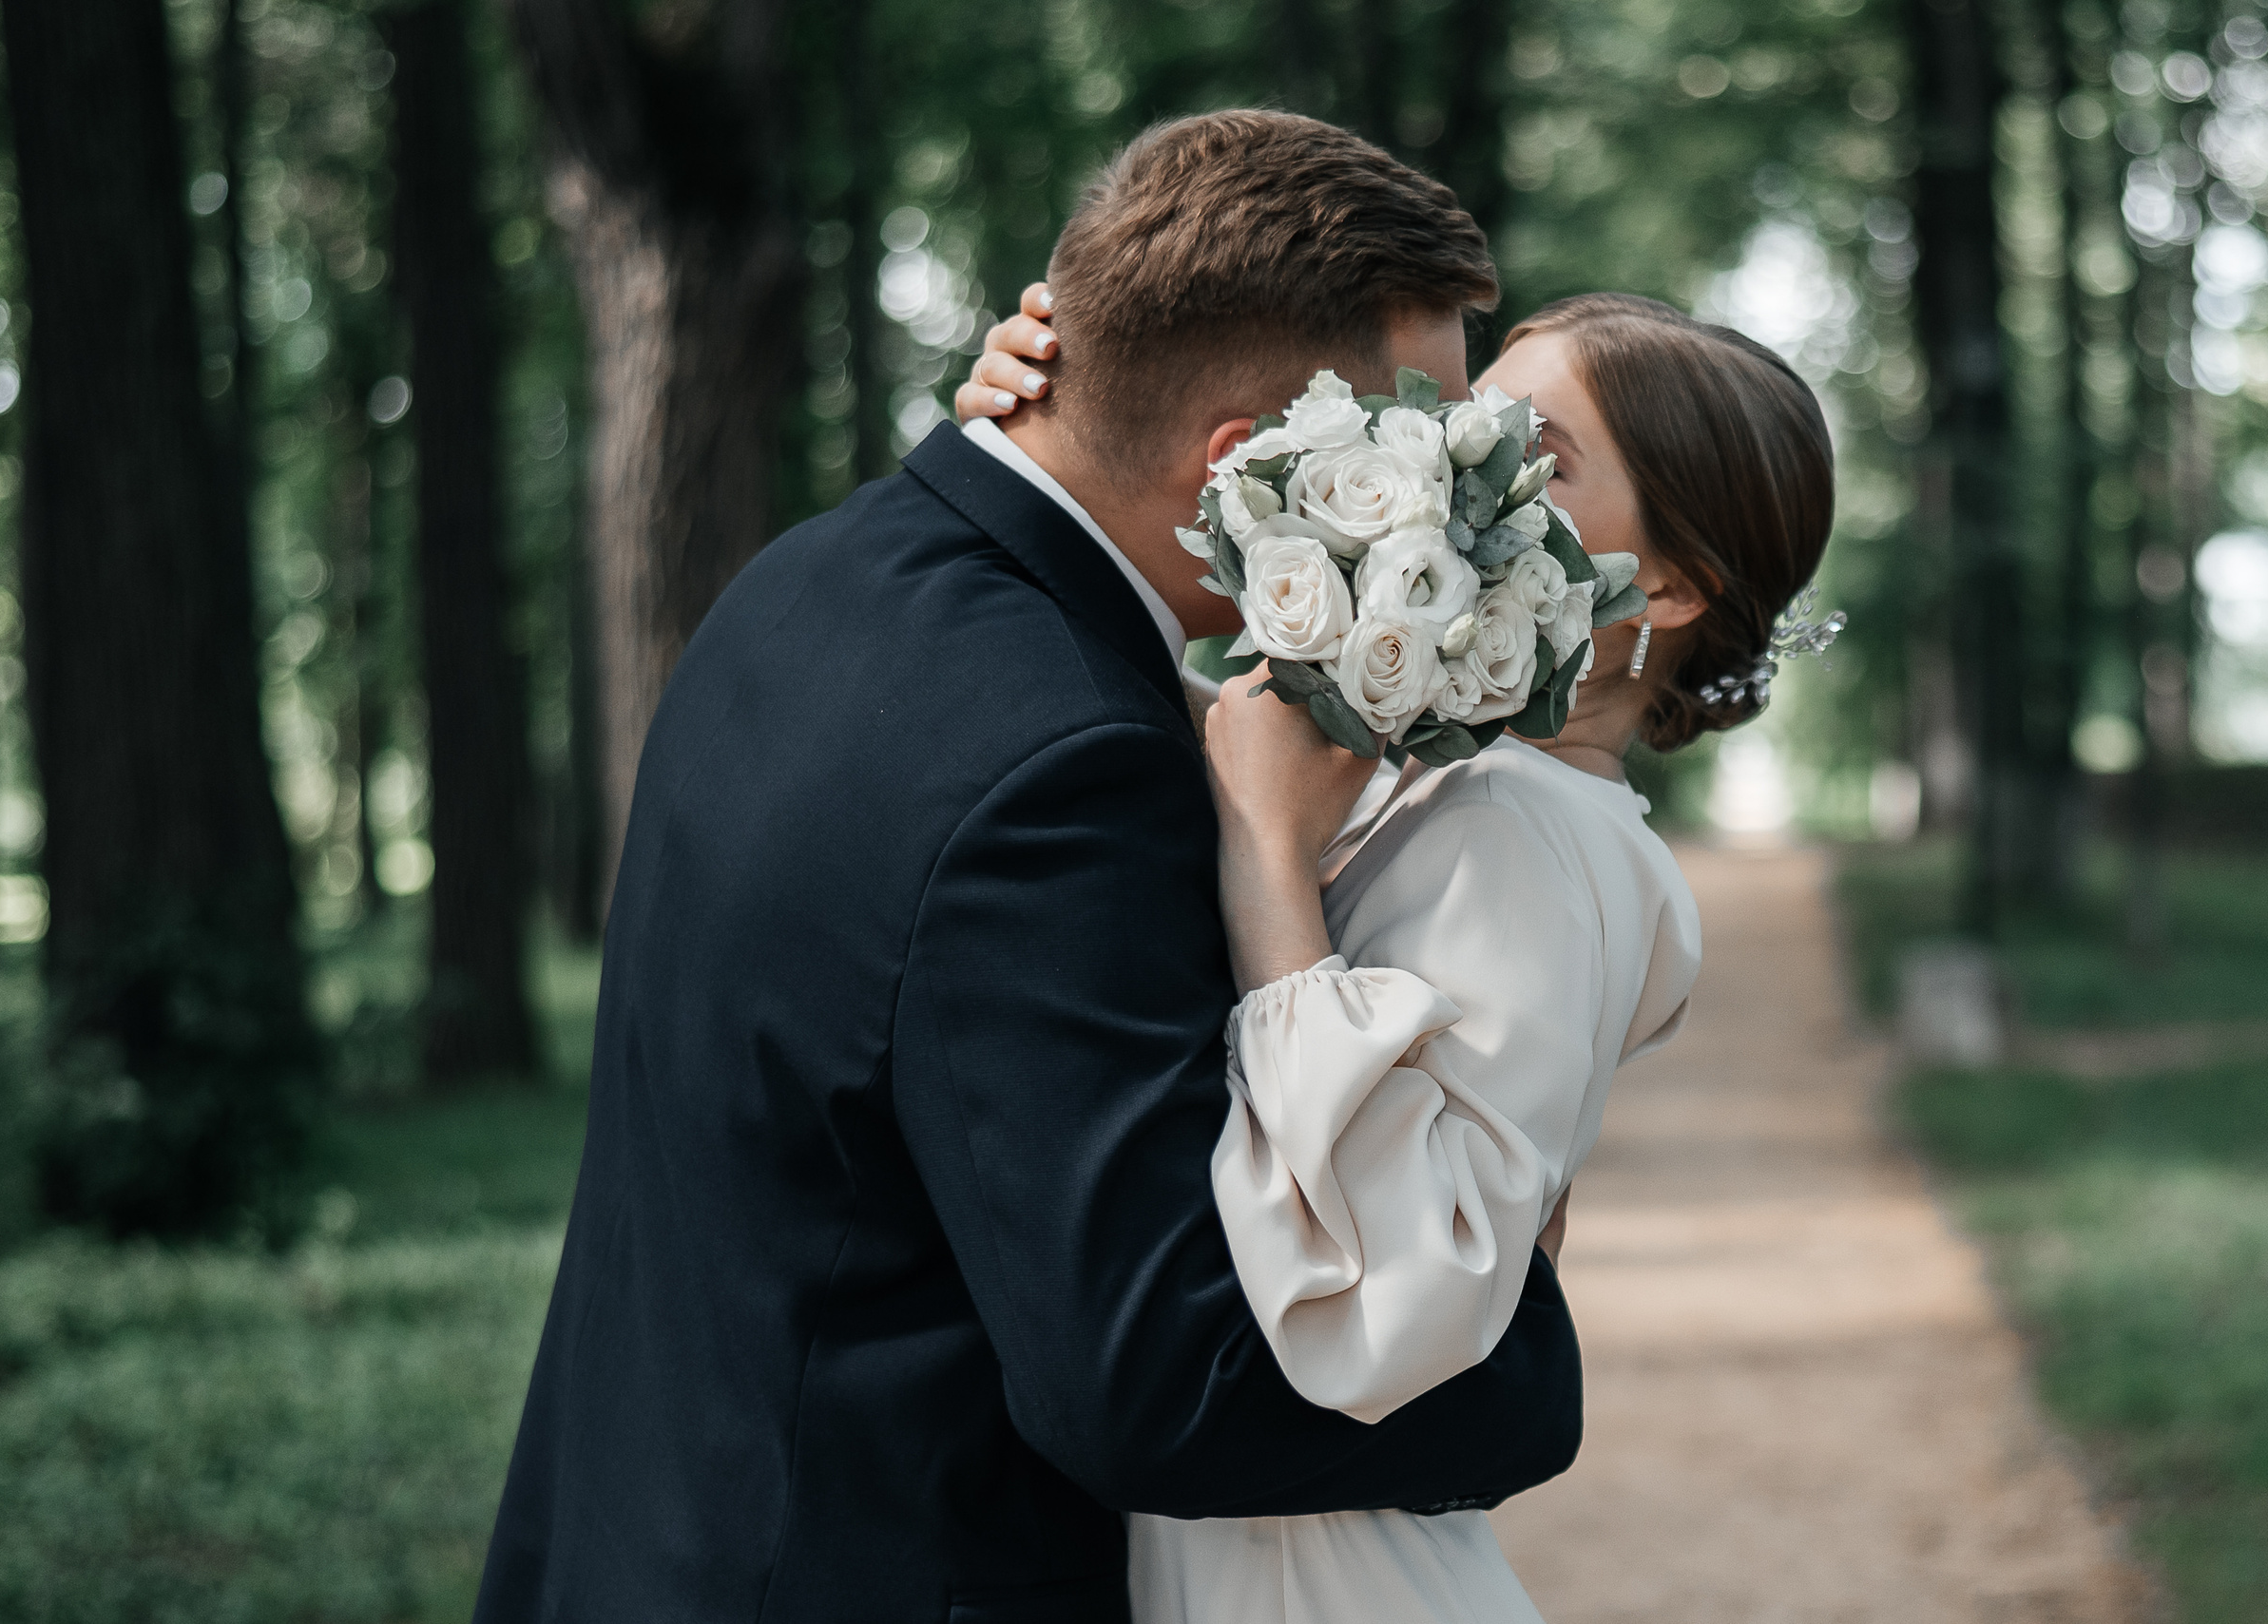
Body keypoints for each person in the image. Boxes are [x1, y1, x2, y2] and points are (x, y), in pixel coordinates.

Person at [471, 111, 1589, 1624]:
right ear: (1251, 466)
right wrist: (1516, 1343)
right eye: (1423, 445)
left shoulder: (809, 579)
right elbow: (1150, 1377)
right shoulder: (1062, 760)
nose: (1449, 512)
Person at [957, 287, 1837, 1623]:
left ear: (1662, 581)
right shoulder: (1466, 790)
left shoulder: (1522, 829)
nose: (1447, 465)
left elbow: (1406, 1291)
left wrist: (1264, 862)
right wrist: (1048, 445)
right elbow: (1170, 745)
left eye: (1527, 450)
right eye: (1462, 421)